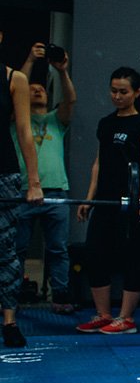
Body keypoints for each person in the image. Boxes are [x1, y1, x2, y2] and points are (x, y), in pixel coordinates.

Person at [75, 68, 140, 335]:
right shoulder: (106, 123)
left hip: (130, 201)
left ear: (137, 92)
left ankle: (126, 318)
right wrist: (89, 198)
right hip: (105, 201)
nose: (117, 96)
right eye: (114, 91)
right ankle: (103, 314)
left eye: (123, 91)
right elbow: (98, 163)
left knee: (132, 256)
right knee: (95, 253)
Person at [13, 42, 74, 315]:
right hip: (22, 191)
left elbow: (70, 100)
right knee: (17, 249)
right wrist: (29, 60)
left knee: (58, 249)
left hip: (56, 192)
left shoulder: (55, 120)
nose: (37, 90)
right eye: (32, 88)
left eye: (41, 89)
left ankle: (60, 295)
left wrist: (62, 71)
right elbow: (12, 88)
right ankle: (11, 297)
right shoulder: (16, 121)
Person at [1, 43, 44, 347]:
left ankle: (9, 321)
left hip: (3, 173)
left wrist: (34, 182)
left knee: (6, 251)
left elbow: (24, 131)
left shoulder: (14, 78)